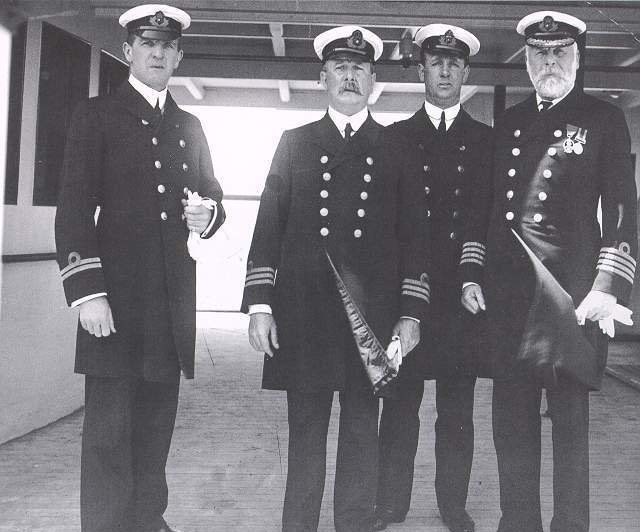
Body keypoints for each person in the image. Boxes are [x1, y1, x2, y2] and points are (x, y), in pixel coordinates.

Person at [241, 25, 429, 532]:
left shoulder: (398, 148)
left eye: (360, 68)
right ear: (323, 77)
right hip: (305, 317)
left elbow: (416, 238)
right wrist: (260, 305)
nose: (350, 77)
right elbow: (268, 226)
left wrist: (411, 313)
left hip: (372, 320)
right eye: (340, 68)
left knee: (362, 434)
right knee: (304, 435)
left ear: (374, 80)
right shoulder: (295, 143)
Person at [463, 10, 637, 532]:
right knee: (511, 424)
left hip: (572, 299)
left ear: (578, 57)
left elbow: (624, 209)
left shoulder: (603, 119)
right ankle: (518, 522)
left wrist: (609, 285)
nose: (549, 61)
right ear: (528, 61)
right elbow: (489, 210)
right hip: (511, 299)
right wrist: (473, 272)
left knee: (569, 428)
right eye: (540, 53)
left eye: (560, 51)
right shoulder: (510, 122)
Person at [54, 4, 225, 532]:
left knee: (155, 429)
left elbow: (214, 194)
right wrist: (88, 293)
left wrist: (208, 214)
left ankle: (148, 521)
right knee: (108, 434)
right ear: (128, 52)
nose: (158, 52)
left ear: (178, 55)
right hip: (115, 304)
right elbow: (74, 210)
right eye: (147, 44)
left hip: (169, 306)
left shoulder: (190, 125)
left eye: (167, 46)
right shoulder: (96, 115)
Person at [373, 24, 491, 532]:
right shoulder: (395, 137)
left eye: (454, 63)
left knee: (457, 414)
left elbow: (483, 218)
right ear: (421, 70)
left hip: (460, 299)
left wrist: (470, 275)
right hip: (406, 298)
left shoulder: (486, 142)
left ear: (465, 73)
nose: (445, 70)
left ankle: (453, 507)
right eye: (435, 62)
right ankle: (391, 505)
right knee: (399, 409)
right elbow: (385, 224)